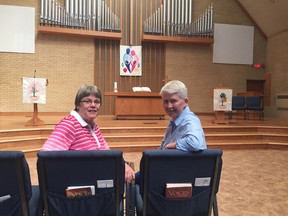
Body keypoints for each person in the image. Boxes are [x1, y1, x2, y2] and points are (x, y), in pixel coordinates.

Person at [41, 84, 135, 183]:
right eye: (87, 101)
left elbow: (106, 152)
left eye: (97, 101)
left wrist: (123, 165)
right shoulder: (69, 124)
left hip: (100, 178)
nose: (93, 105)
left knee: (140, 178)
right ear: (77, 105)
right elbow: (45, 156)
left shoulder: (93, 125)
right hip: (85, 185)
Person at [159, 80, 206, 151]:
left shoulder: (191, 120)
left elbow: (195, 143)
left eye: (173, 101)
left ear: (185, 102)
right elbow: (164, 145)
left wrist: (170, 146)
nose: (169, 106)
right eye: (166, 101)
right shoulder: (174, 118)